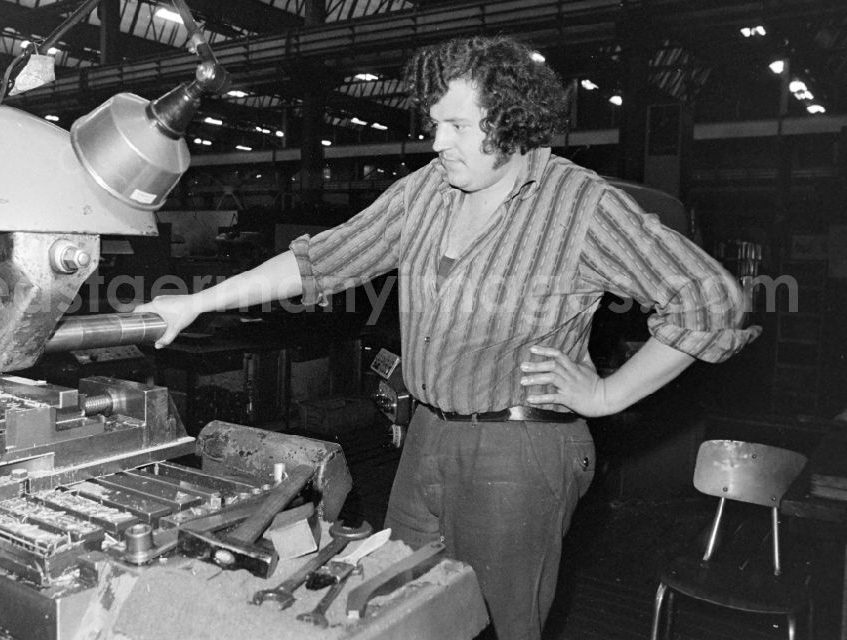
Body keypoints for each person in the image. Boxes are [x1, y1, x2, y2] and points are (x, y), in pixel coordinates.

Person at [137, 35, 758, 640]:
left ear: (512, 121)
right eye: (435, 124)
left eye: (457, 127)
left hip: (519, 451)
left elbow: (710, 301)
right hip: (426, 435)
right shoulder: (427, 192)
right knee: (398, 608)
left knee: (502, 622)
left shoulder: (580, 206)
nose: (438, 143)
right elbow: (319, 261)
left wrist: (608, 396)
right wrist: (196, 302)